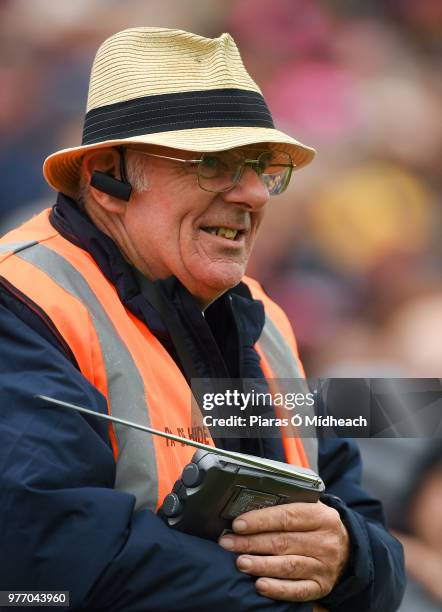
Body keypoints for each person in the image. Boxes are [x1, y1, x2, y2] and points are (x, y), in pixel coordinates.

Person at [0, 27, 404, 611]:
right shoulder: (20, 302)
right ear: (107, 177)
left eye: (260, 166)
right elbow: (47, 565)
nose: (254, 194)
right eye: (213, 163)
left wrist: (347, 556)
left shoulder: (263, 322)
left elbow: (364, 526)